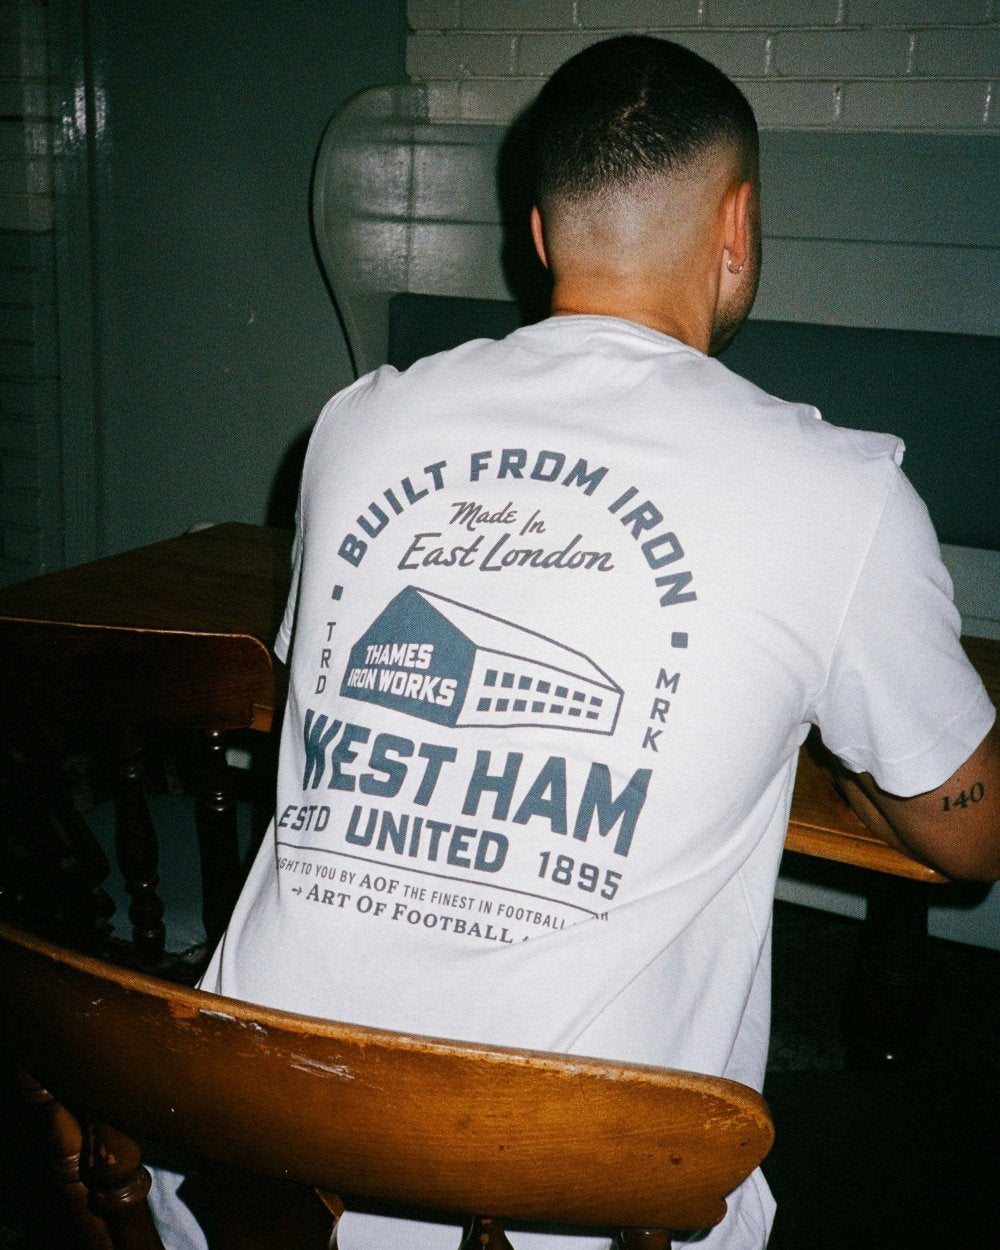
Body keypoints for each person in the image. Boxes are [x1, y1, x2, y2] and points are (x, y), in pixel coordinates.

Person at [151, 34, 999, 1250]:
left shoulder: (359, 423)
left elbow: (323, 689)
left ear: (541, 234)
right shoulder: (840, 492)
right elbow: (973, 836)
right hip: (573, 1209)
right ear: (738, 226)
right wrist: (863, 765)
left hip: (229, 1175)